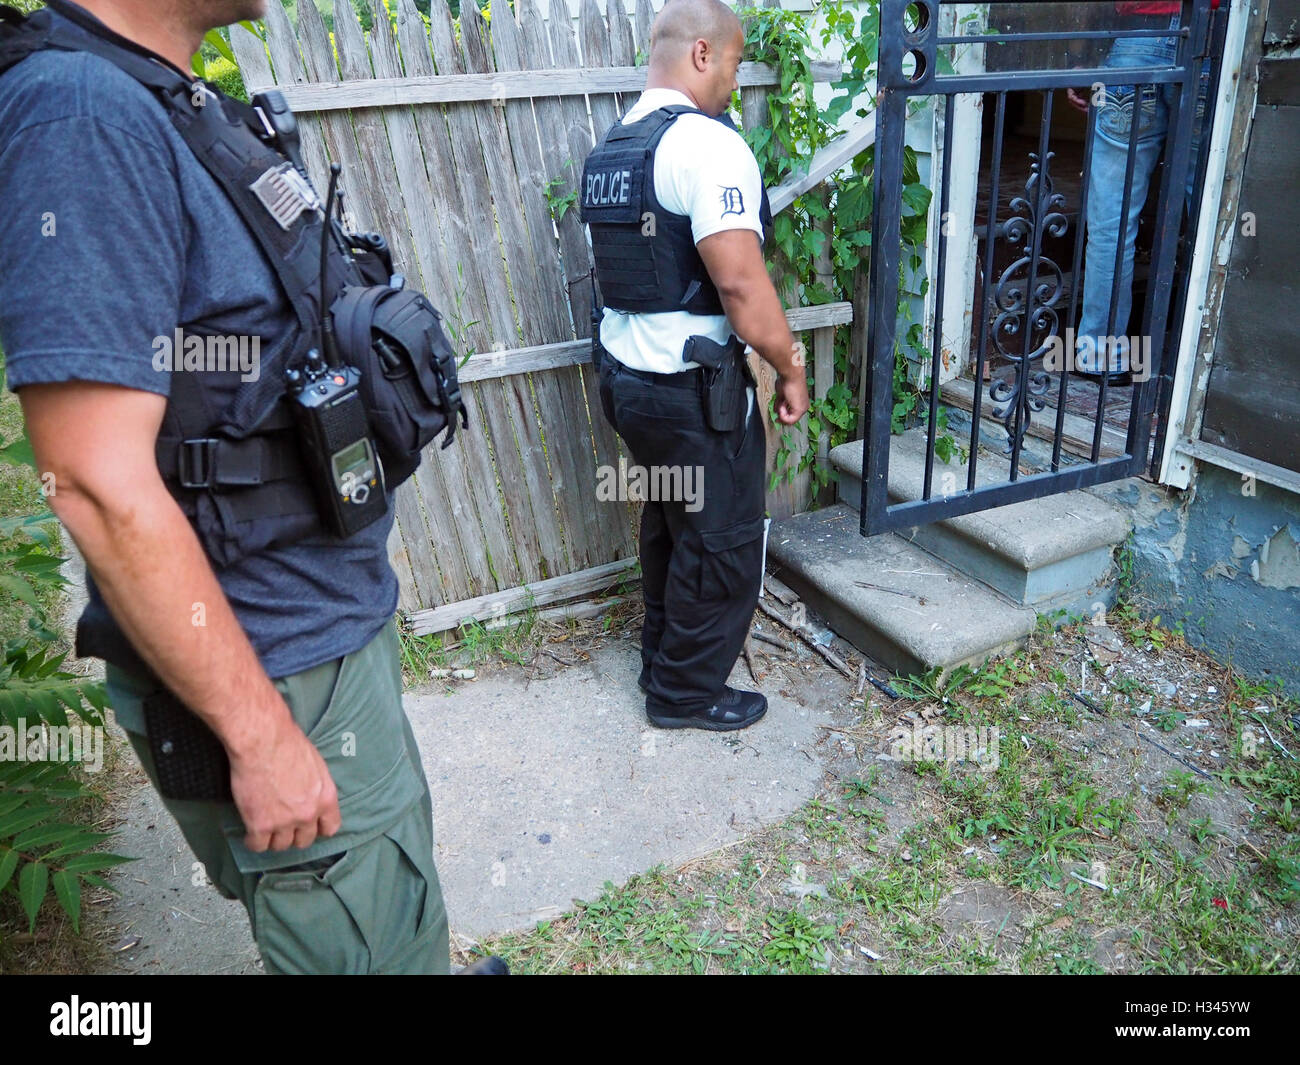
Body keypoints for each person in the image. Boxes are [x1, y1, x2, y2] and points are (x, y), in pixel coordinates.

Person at [0, 0, 482, 975]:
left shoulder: (165, 99)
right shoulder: (80, 113)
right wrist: (260, 739)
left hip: (316, 635)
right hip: (273, 665)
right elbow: (92, 477)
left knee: (390, 904)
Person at [581, 0, 809, 732]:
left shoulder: (614, 148)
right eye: (737, 65)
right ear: (703, 55)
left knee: (673, 522)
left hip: (628, 385)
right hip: (691, 391)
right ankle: (683, 694)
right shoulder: (706, 147)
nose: (735, 86)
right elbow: (742, 289)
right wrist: (791, 367)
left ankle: (661, 658)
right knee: (722, 541)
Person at [1067, 1, 1213, 382]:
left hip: (1137, 40)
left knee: (1111, 222)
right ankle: (1202, 361)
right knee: (1211, 210)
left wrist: (1080, 57)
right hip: (1213, 39)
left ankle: (1100, 354)